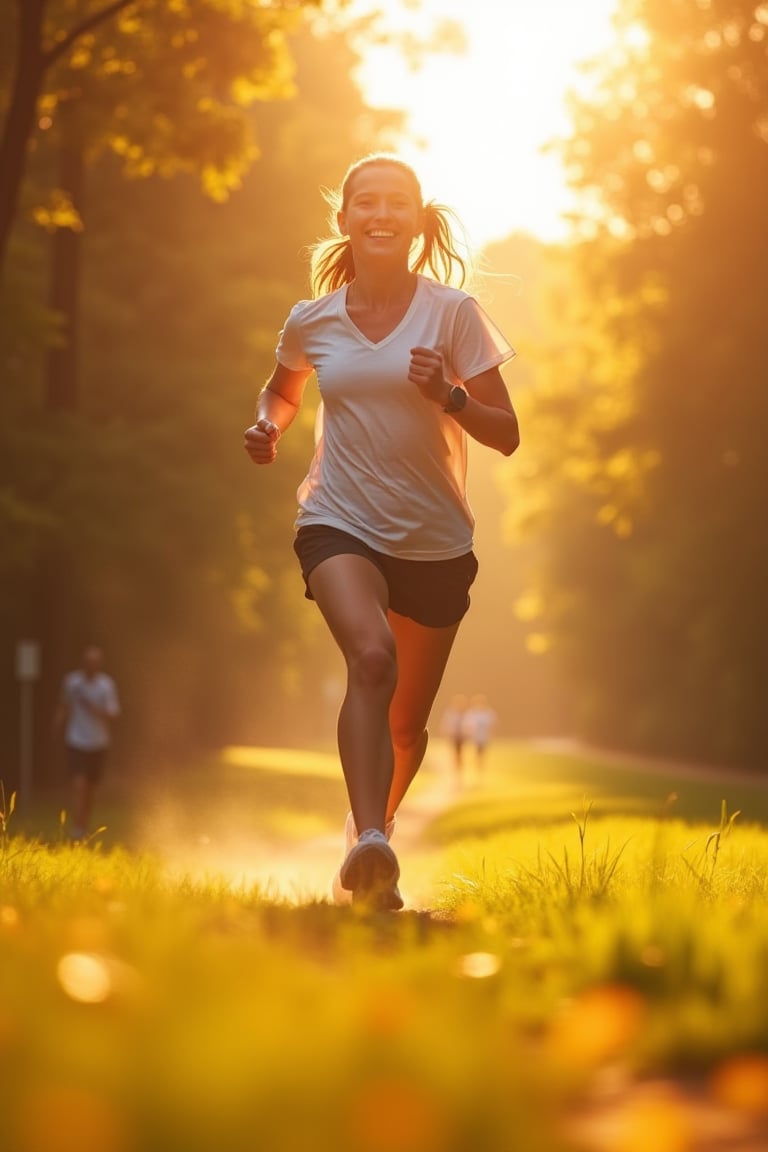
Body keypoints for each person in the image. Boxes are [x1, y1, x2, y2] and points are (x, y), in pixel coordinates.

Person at [244, 153, 519, 909]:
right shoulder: (313, 320)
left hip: (435, 541)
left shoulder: (453, 314)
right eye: (366, 202)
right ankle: (370, 839)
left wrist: (451, 394)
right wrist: (268, 426)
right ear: (345, 219)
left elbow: (508, 434)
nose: (380, 214)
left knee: (407, 730)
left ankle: (370, 843)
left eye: (397, 202)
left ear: (417, 220)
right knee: (371, 659)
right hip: (339, 519)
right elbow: (282, 389)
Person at [53, 645, 121, 840]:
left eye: (94, 662)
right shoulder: (72, 682)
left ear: (98, 665)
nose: (90, 666)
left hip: (98, 742)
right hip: (76, 740)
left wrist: (93, 709)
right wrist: (57, 725)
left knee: (90, 788)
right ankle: (78, 827)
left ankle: (84, 822)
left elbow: (113, 715)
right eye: (88, 662)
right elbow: (64, 705)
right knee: (79, 784)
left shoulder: (106, 685)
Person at [463, 692, 498, 771]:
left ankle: (481, 767)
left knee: (483, 753)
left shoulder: (488, 713)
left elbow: (492, 725)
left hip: (484, 737)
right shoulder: (472, 713)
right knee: (477, 752)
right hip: (476, 738)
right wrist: (468, 734)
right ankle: (477, 766)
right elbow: (467, 726)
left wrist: (492, 734)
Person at [440, 693, 470, 779]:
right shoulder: (451, 714)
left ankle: (459, 771)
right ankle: (456, 772)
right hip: (454, 738)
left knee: (460, 755)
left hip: (461, 738)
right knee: (456, 755)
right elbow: (447, 725)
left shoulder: (465, 714)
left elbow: (468, 726)